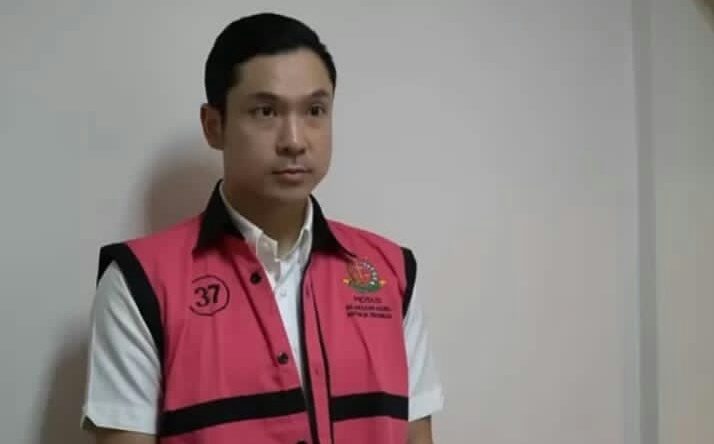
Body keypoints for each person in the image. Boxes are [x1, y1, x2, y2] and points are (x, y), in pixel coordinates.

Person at [81, 12, 444, 444]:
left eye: (314, 111)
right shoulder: (139, 282)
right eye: (266, 111)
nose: (295, 140)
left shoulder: (390, 273)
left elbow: (415, 436)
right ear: (214, 126)